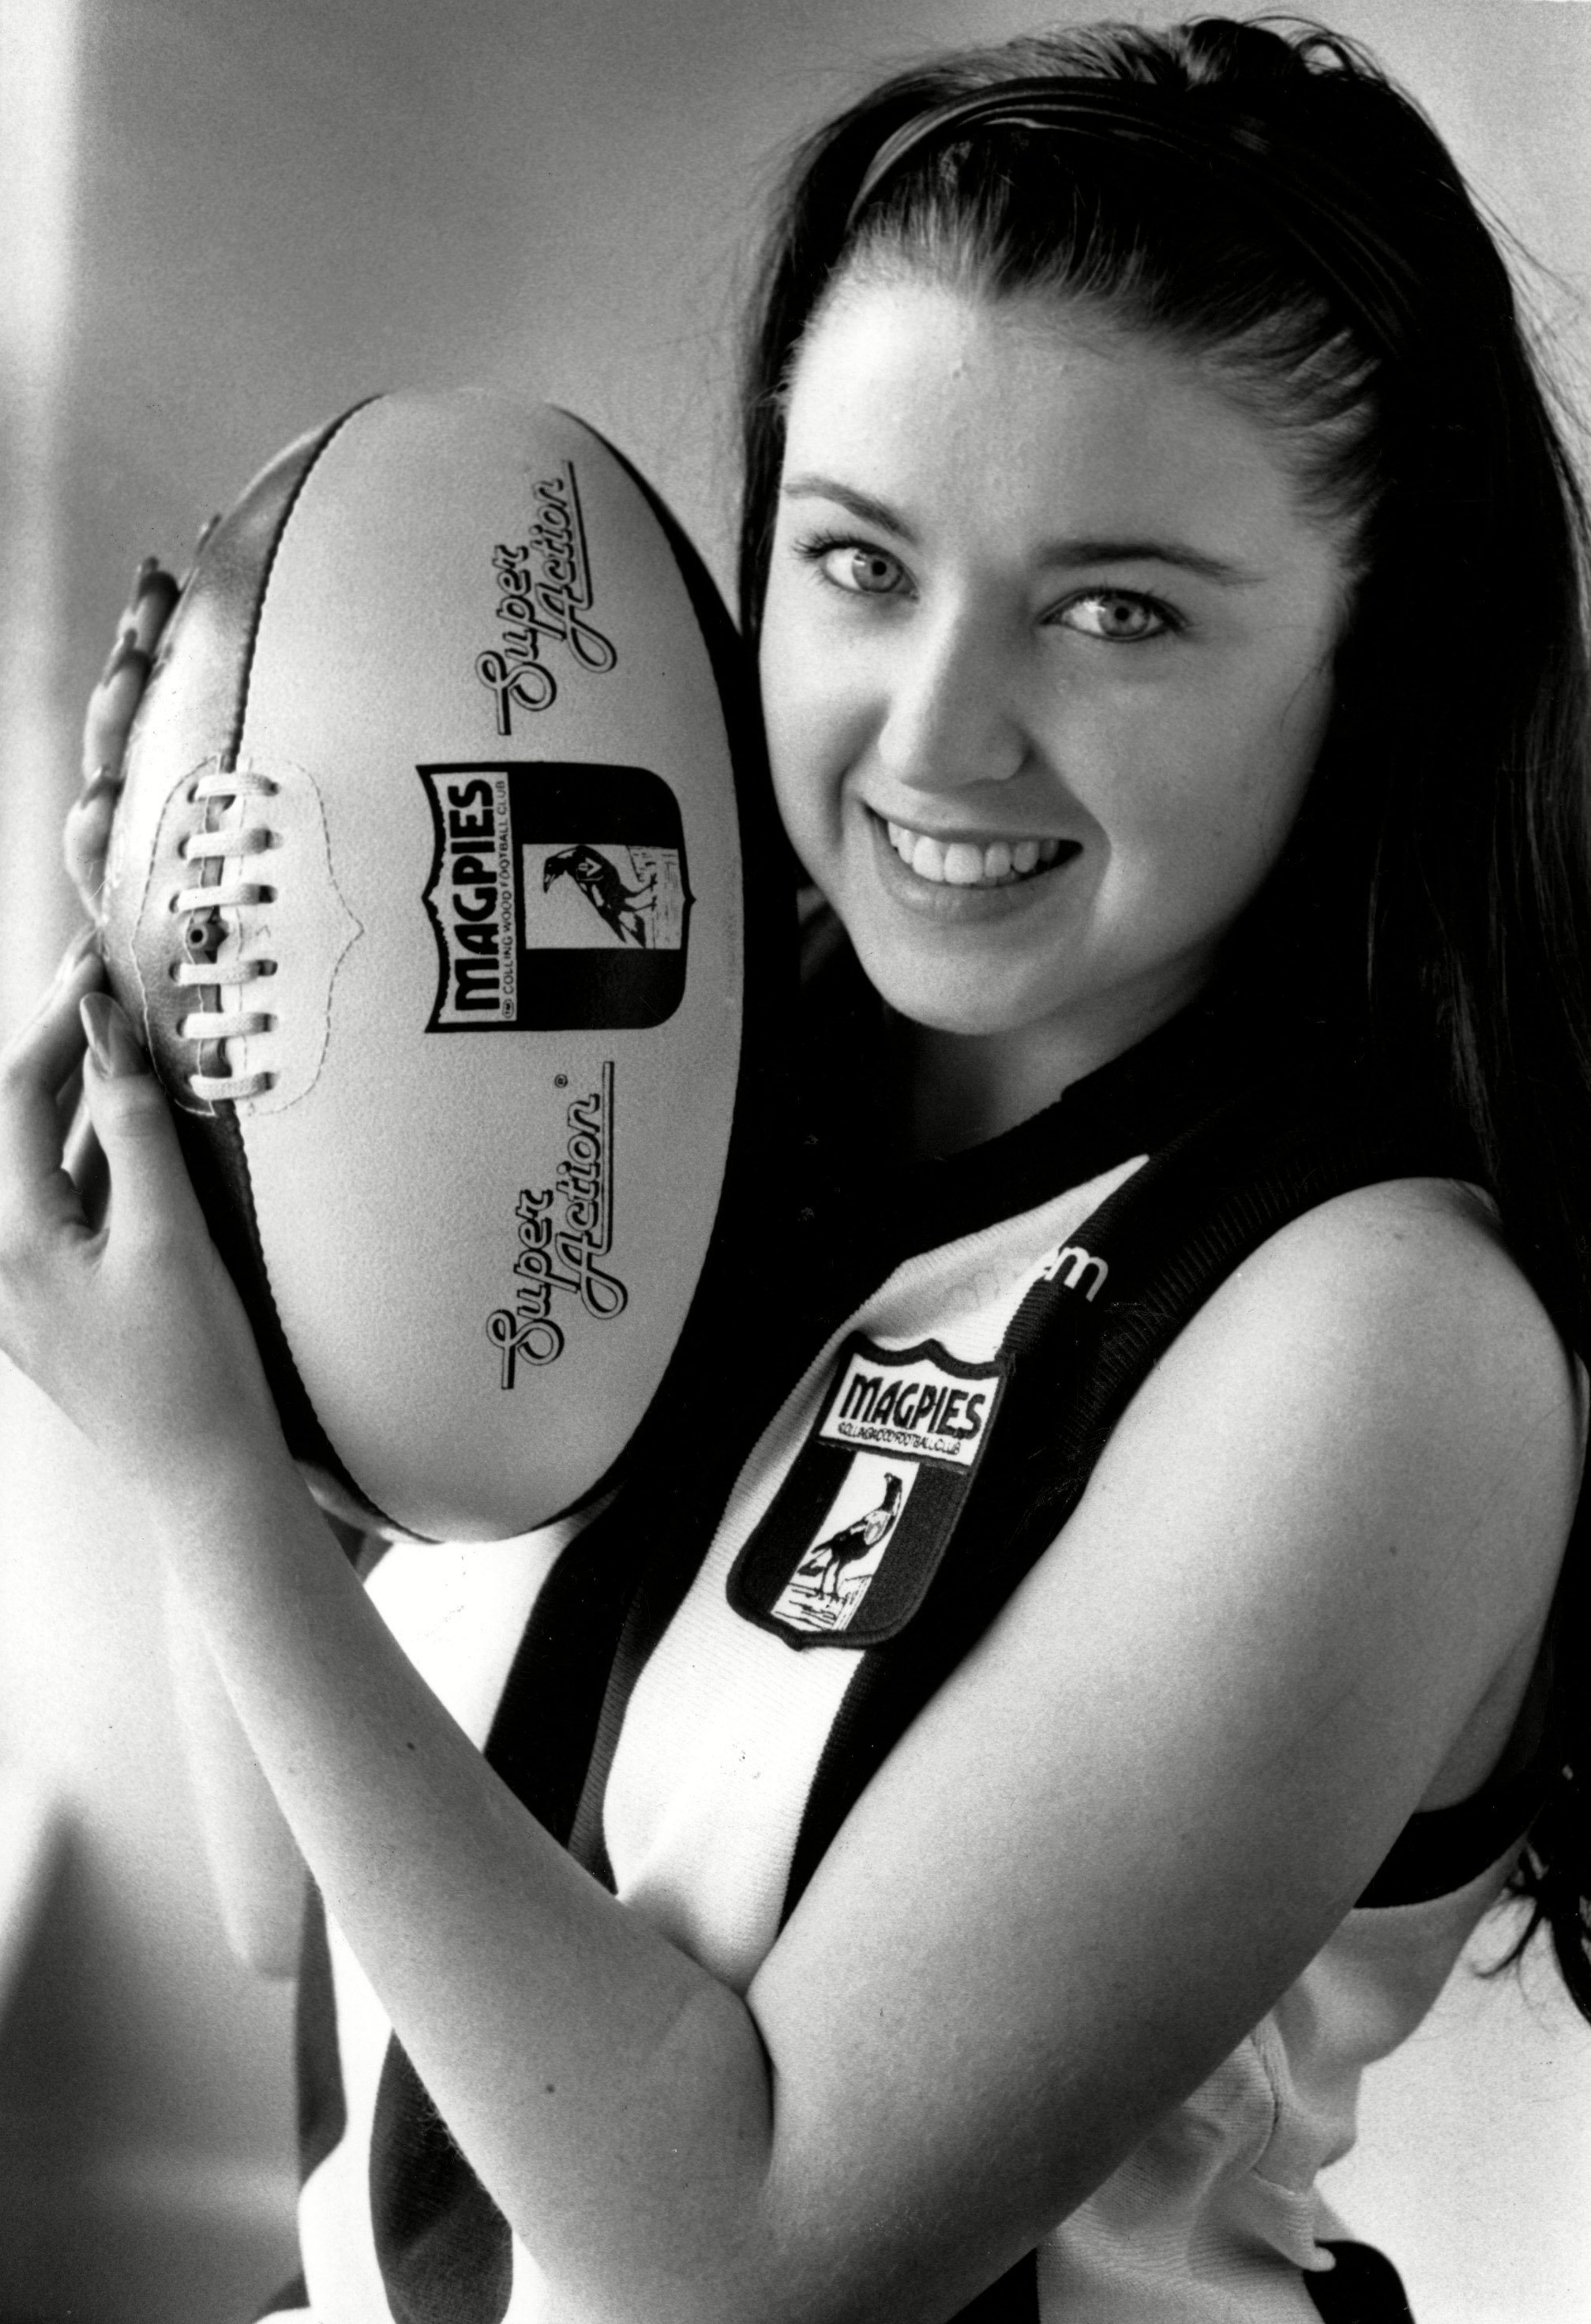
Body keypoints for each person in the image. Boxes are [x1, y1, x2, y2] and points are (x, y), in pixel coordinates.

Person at [9, 14, 1591, 2321]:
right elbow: (310, 1914)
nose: (939, 733)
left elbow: (745, 2262)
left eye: (1118, 612)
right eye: (861, 564)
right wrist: (235, 1152)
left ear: (1384, 651)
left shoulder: (1377, 1341)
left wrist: (213, 1483)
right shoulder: (674, 1084)